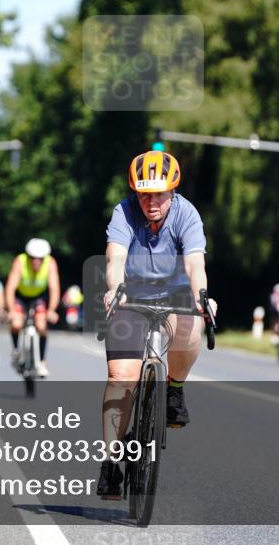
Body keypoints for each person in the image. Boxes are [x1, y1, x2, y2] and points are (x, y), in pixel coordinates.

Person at [98, 149, 216, 498]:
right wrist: (115, 289)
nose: (151, 202)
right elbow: (115, 257)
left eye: (159, 194)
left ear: (172, 191)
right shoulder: (124, 212)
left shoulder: (186, 214)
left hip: (174, 295)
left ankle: (174, 389)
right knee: (121, 377)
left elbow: (194, 263)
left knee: (191, 326)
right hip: (131, 297)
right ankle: (110, 462)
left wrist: (202, 297)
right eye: (143, 194)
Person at [5, 238, 61, 378]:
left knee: (41, 326)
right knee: (16, 323)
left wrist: (52, 310)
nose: (36, 261)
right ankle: (16, 349)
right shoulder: (20, 261)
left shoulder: (50, 263)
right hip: (21, 296)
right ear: (28, 256)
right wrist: (11, 310)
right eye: (32, 258)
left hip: (38, 297)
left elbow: (54, 288)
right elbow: (10, 288)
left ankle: (42, 361)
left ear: (44, 258)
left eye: (40, 258)